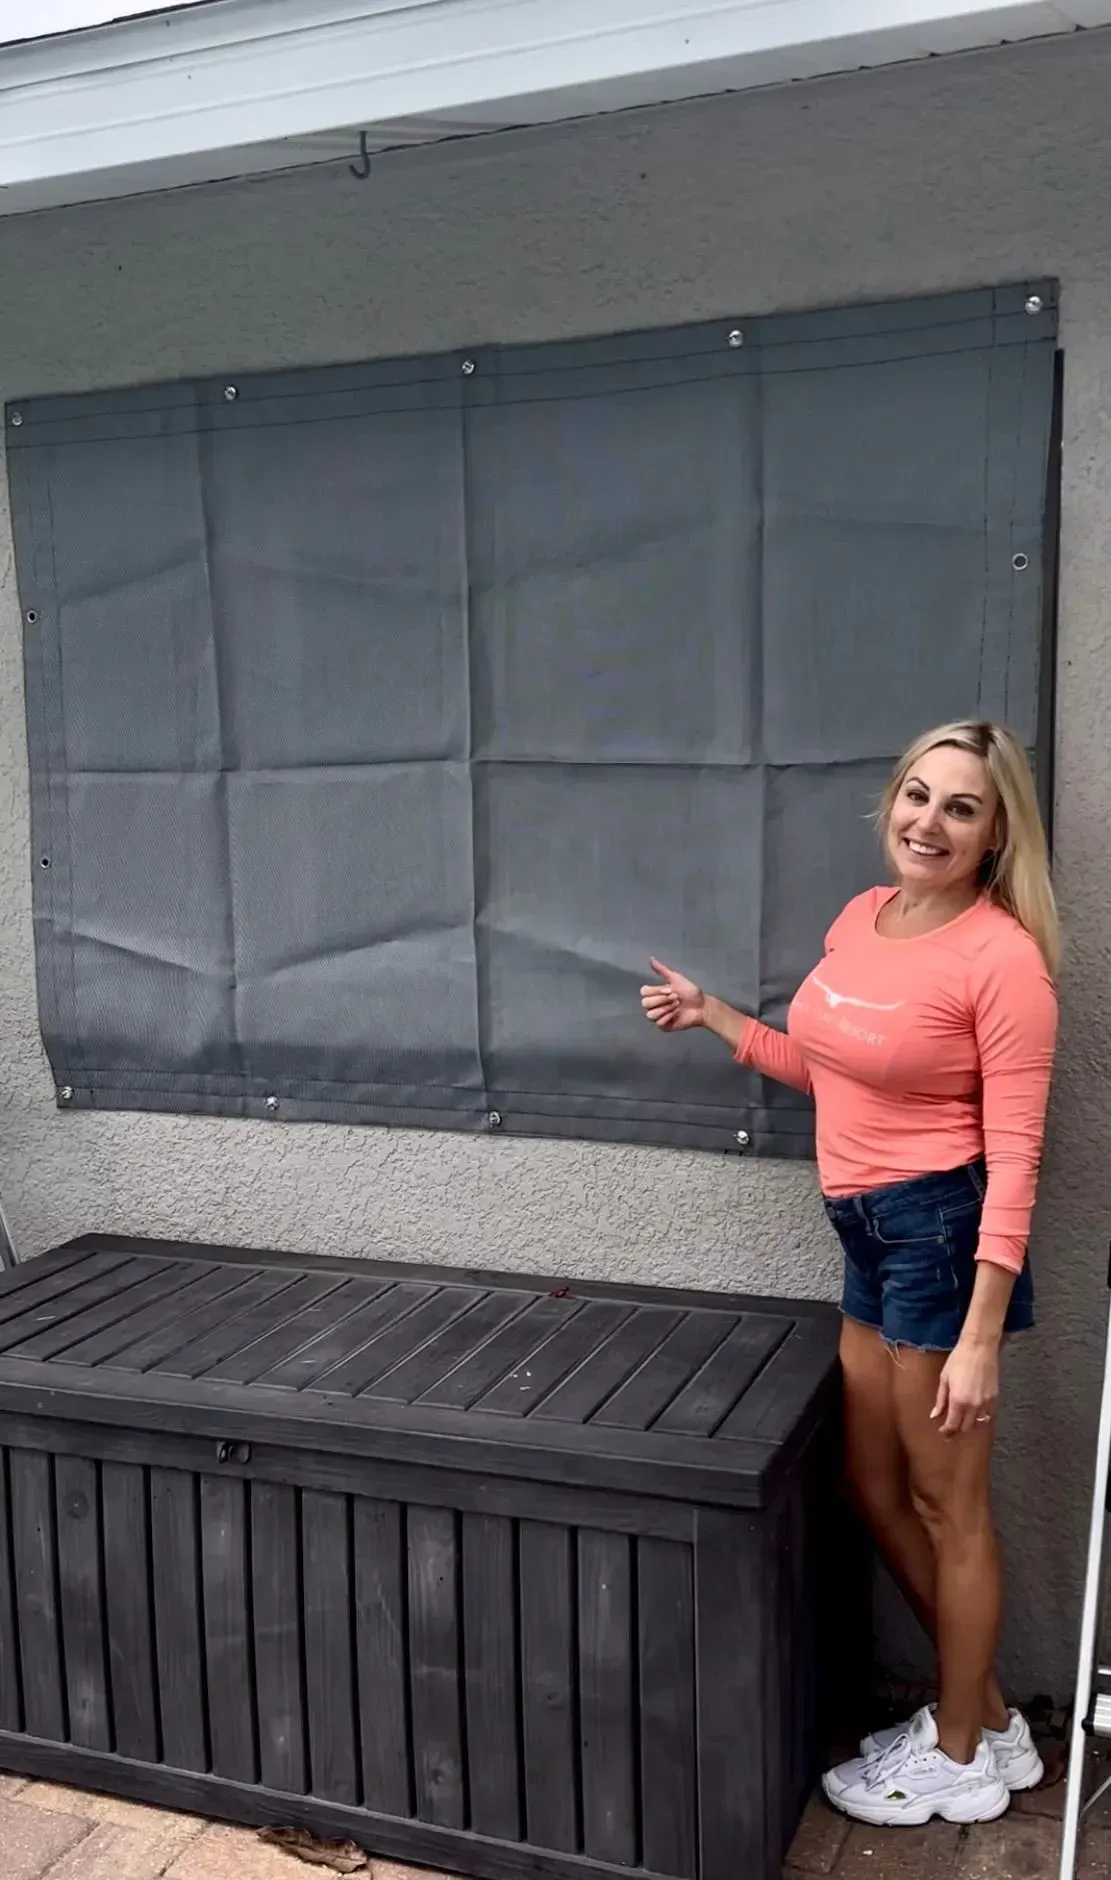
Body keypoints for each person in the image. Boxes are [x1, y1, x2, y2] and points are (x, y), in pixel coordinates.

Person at [640, 721, 1059, 1831]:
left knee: (946, 1507)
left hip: (937, 1238)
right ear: (892, 802)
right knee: (872, 1485)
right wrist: (716, 1016)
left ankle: (960, 1752)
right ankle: (989, 1718)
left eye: (960, 807)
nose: (928, 821)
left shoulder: (1002, 959)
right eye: (917, 795)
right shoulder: (860, 918)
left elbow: (1017, 1155)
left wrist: (979, 1336)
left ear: (995, 832)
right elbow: (832, 1070)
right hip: (864, 1234)